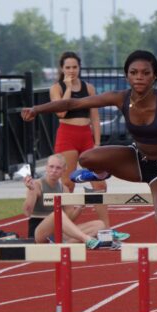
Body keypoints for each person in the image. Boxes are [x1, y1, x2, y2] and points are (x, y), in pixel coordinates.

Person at [22, 50, 157, 294]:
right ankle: (102, 173)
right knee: (87, 157)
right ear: (127, 76)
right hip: (136, 160)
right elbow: (74, 104)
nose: (139, 77)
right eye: (134, 73)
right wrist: (37, 109)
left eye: (145, 73)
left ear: (154, 76)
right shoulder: (120, 98)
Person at [50, 51, 111, 228]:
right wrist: (68, 88)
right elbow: (60, 111)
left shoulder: (89, 88)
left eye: (74, 67)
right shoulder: (57, 88)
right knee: (68, 183)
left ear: (79, 67)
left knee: (99, 183)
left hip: (86, 137)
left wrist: (97, 143)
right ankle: (66, 229)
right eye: (68, 67)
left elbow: (95, 117)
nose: (71, 70)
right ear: (62, 68)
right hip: (67, 136)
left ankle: (106, 229)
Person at [23, 154, 128, 248]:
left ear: (64, 170)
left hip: (58, 234)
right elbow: (27, 212)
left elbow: (70, 218)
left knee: (100, 224)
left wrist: (81, 205)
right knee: (57, 214)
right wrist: (31, 190)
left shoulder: (64, 189)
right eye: (51, 166)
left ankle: (66, 242)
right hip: (39, 233)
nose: (54, 170)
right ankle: (87, 239)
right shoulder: (36, 185)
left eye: (58, 168)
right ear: (46, 167)